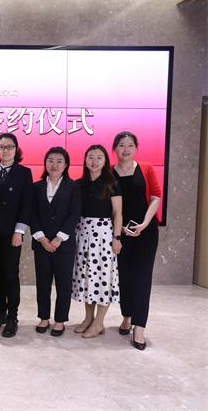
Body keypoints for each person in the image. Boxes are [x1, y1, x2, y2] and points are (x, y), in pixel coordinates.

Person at [112, 131, 161, 351]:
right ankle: (127, 317)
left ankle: (139, 327)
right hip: (120, 232)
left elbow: (155, 197)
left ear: (136, 148)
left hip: (145, 231)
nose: (126, 149)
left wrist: (144, 223)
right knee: (124, 276)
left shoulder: (147, 168)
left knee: (142, 278)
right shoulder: (108, 172)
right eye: (121, 145)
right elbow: (107, 203)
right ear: (115, 148)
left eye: (130, 145)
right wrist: (119, 227)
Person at [0, 133, 33, 338]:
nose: (6, 150)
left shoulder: (24, 173)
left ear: (16, 149)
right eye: (2, 147)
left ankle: (13, 317)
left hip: (13, 232)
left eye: (10, 146)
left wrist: (19, 231)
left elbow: (26, 204)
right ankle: (0, 313)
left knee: (10, 273)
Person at [72, 144, 122, 339]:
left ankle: (99, 322)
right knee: (87, 278)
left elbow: (117, 213)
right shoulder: (79, 184)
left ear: (105, 161)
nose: (94, 161)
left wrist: (116, 238)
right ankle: (88, 319)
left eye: (99, 157)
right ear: (85, 161)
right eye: (90, 157)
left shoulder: (112, 183)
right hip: (83, 233)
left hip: (104, 235)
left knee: (102, 278)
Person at [30, 147, 81, 337]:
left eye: (59, 161)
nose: (54, 164)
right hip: (41, 243)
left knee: (63, 284)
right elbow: (32, 213)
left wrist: (59, 238)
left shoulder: (73, 186)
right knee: (43, 283)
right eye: (50, 160)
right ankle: (44, 318)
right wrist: (41, 237)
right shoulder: (36, 187)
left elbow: (75, 213)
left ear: (66, 165)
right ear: (45, 163)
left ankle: (60, 320)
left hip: (64, 245)